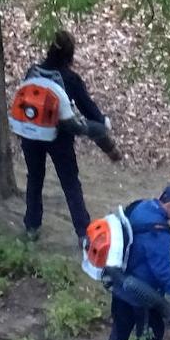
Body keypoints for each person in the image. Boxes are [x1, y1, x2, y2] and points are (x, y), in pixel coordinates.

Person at [17, 30, 113, 244]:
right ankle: (83, 233)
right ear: (71, 54)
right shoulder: (70, 79)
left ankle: (32, 227)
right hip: (59, 137)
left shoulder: (33, 72)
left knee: (34, 179)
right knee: (70, 183)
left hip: (31, 135)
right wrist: (102, 122)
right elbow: (88, 109)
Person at [107, 185, 170, 340]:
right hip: (144, 296)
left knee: (118, 337)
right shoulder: (158, 231)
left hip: (121, 286)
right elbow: (162, 270)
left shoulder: (141, 206)